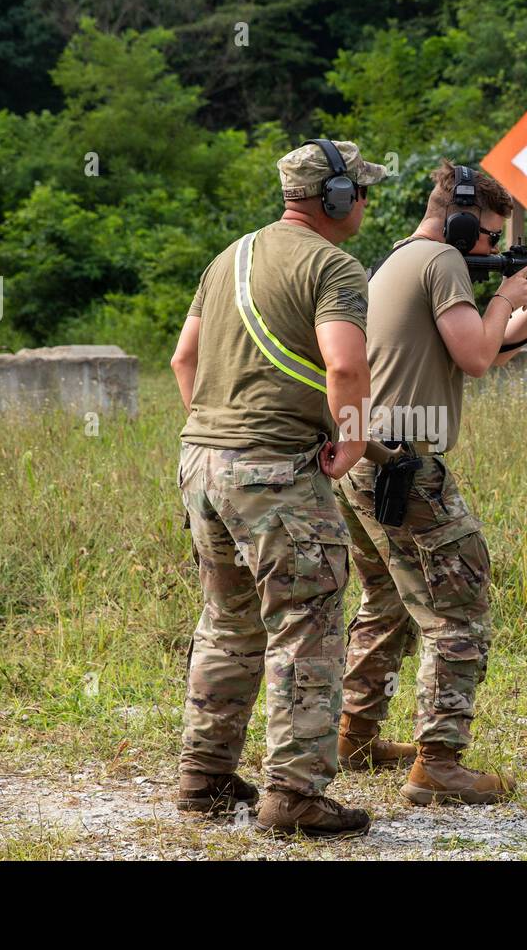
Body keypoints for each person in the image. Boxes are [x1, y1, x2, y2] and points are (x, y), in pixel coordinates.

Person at [336, 160, 527, 804]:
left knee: (389, 603)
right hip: (405, 466)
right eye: (489, 237)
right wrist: (513, 294)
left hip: (366, 458)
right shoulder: (444, 264)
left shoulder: (403, 257)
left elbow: (485, 343)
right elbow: (479, 358)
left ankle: (354, 736)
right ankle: (439, 765)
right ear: (458, 220)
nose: (495, 250)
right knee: (460, 611)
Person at [169, 139, 388, 837]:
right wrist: (351, 438)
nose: (364, 203)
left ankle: (203, 779)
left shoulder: (228, 257)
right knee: (307, 627)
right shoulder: (335, 266)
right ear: (337, 199)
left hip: (202, 462)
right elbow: (346, 366)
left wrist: (219, 430)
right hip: (274, 472)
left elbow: (185, 358)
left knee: (228, 623)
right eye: (361, 190)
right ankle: (292, 795)